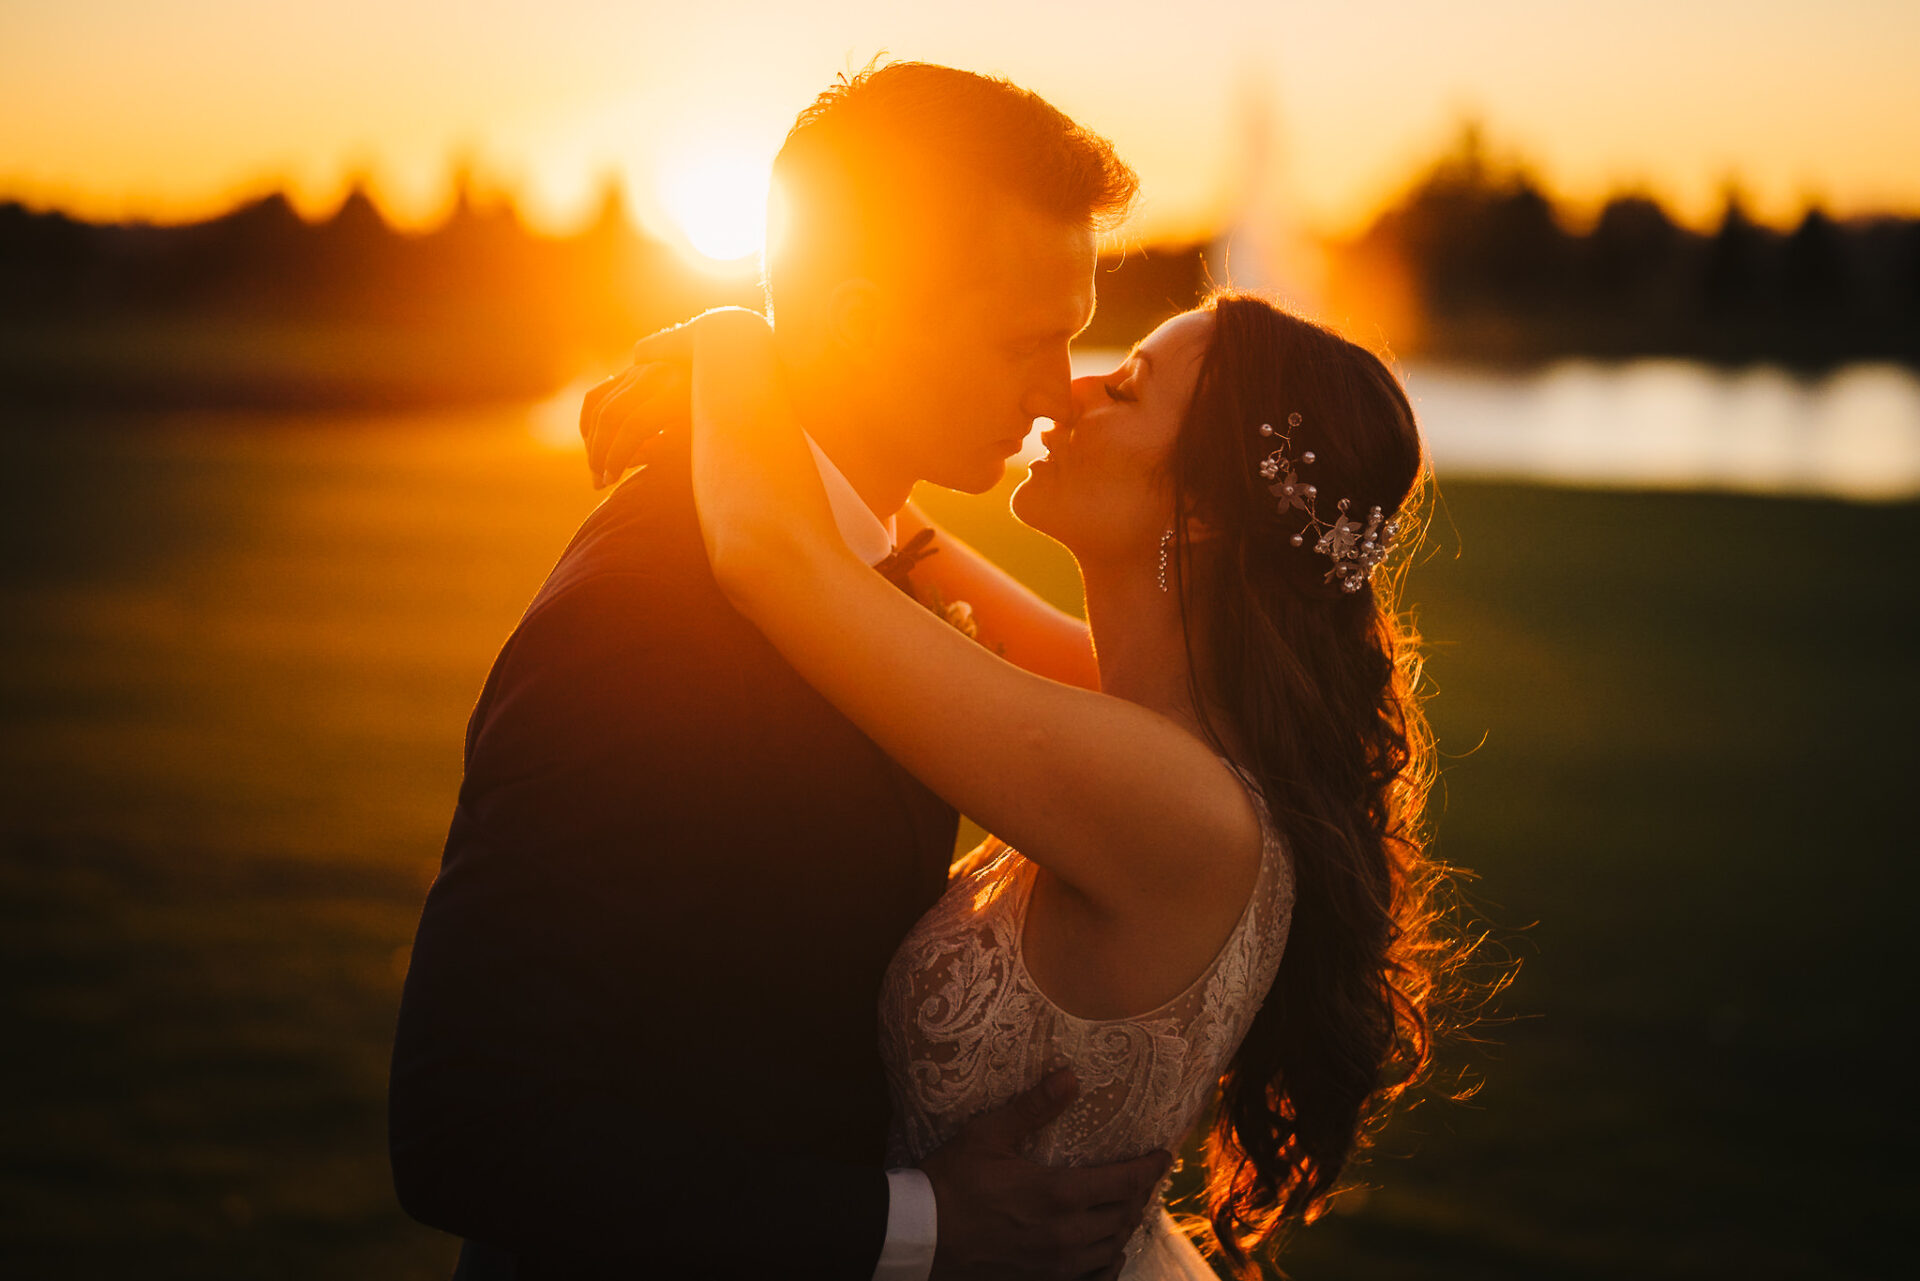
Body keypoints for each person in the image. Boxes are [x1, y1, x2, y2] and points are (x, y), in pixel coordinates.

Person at [389, 61, 1171, 1281]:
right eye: (1028, 339)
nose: (1055, 389)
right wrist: (926, 1228)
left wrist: (731, 352)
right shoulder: (646, 622)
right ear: (864, 320)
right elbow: (470, 1131)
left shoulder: (857, 569)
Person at [591, 287, 1468, 1279]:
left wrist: (732, 338)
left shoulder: (1168, 801)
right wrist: (833, 393)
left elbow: (774, 554)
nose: (1070, 392)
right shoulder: (1155, 717)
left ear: (1212, 512)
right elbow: (913, 558)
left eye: (1128, 390)